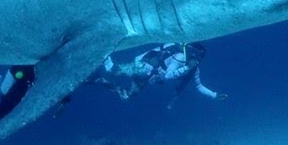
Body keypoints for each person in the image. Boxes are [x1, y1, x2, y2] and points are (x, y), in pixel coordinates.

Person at [90, 42, 225, 108]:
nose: (196, 60)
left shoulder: (194, 69)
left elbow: (199, 86)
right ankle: (103, 54)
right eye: (196, 56)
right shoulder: (180, 57)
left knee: (126, 97)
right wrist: (186, 68)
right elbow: (167, 76)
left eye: (199, 58)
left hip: (148, 75)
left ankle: (99, 79)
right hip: (143, 67)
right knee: (114, 71)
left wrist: (214, 95)